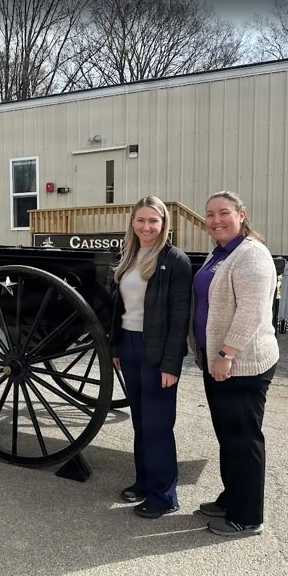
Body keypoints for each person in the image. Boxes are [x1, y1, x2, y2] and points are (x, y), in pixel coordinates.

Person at [191, 190, 279, 537]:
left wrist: (227, 354)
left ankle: (247, 517)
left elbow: (251, 313)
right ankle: (233, 498)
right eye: (210, 214)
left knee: (243, 439)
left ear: (241, 215)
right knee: (228, 436)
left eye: (224, 213)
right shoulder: (221, 252)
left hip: (243, 364)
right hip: (219, 363)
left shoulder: (251, 255)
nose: (216, 221)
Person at [110, 196, 192, 519]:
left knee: (158, 424)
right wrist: (116, 347)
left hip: (157, 349)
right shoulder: (129, 257)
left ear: (163, 224)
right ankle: (144, 481)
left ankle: (164, 494)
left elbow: (179, 317)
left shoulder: (175, 261)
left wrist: (172, 364)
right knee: (141, 422)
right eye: (141, 220)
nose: (147, 227)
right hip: (129, 346)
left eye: (153, 221)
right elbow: (120, 307)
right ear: (133, 222)